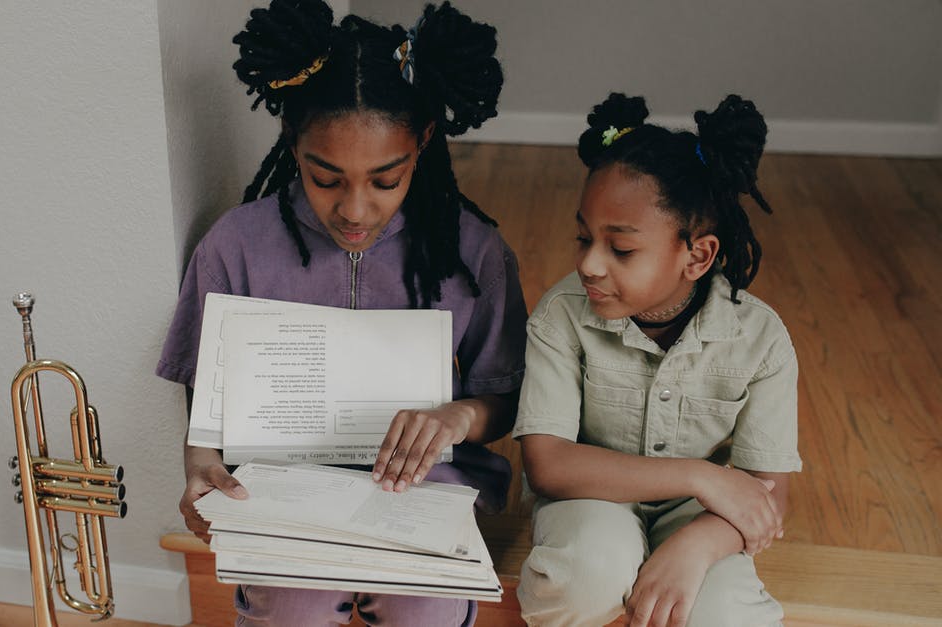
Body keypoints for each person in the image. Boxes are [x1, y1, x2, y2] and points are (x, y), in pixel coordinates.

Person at [155, 2, 527, 625]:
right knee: (290, 604)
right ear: (291, 143)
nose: (356, 209)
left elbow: (505, 400)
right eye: (325, 178)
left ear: (424, 144)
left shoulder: (473, 252)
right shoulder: (234, 246)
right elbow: (207, 412)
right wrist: (201, 469)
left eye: (386, 180)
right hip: (279, 488)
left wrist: (458, 416)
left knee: (425, 603)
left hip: (421, 484)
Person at [513, 93, 801, 627]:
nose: (589, 264)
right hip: (590, 496)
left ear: (697, 255)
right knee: (581, 581)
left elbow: (770, 495)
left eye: (620, 249)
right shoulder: (561, 317)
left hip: (700, 515)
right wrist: (701, 475)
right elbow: (548, 465)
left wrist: (696, 546)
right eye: (583, 237)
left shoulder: (762, 339)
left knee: (724, 615)